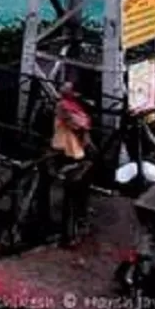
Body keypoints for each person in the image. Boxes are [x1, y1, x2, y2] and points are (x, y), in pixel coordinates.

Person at [51, 82, 94, 247]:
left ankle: (78, 223)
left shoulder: (75, 106)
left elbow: (83, 123)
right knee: (71, 197)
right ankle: (68, 235)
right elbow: (77, 123)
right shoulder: (63, 106)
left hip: (76, 151)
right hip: (67, 150)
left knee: (79, 193)